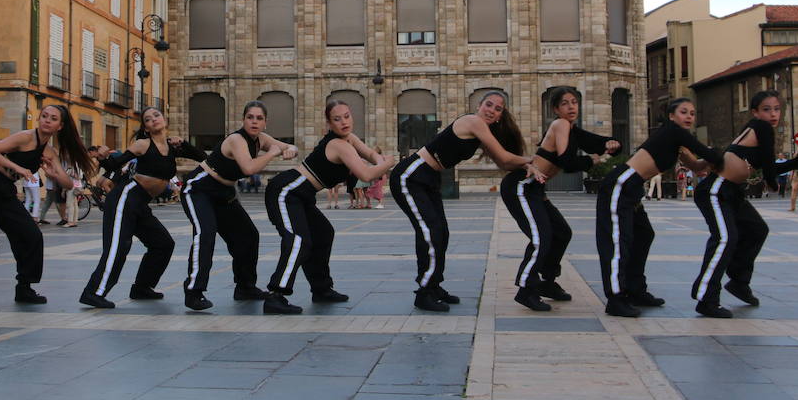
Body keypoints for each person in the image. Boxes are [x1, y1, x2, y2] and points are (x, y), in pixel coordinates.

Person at [398, 91, 536, 312]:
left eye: (497, 108)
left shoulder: (481, 132)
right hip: (411, 175)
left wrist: (525, 165)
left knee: (441, 232)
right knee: (431, 232)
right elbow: (506, 157)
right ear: (479, 106)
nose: (491, 110)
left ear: (501, 115)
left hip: (429, 179)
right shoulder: (473, 121)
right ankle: (424, 292)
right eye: (488, 105)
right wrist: (535, 160)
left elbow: (503, 162)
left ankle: (434, 286)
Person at [263, 99, 394, 314]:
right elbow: (366, 174)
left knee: (323, 234)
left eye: (347, 116)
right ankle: (275, 295)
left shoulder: (349, 139)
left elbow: (369, 154)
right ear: (329, 124)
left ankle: (321, 289)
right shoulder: (338, 145)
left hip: (302, 195)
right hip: (286, 191)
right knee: (298, 241)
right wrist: (387, 163)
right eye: (337, 119)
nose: (344, 122)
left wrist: (379, 159)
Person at [597, 98, 724, 318]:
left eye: (693, 113)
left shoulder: (677, 142)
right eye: (684, 112)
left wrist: (710, 162)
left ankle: (635, 290)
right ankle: (615, 298)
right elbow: (709, 155)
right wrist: (726, 154)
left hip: (632, 189)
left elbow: (698, 166)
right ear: (672, 116)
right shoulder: (674, 132)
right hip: (621, 184)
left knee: (644, 234)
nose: (689, 117)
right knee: (619, 241)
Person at [691, 90, 798, 318]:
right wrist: (774, 181)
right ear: (755, 112)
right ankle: (706, 298)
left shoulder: (758, 129)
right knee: (724, 239)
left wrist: (796, 161)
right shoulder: (761, 128)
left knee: (757, 229)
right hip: (717, 189)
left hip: (732, 192)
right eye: (767, 109)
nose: (773, 114)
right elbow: (768, 167)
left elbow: (767, 164)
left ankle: (738, 281)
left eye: (776, 109)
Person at [0, 106, 92, 312]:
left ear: (60, 126)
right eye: (44, 116)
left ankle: (24, 287)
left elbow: (69, 184)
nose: (46, 121)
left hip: (4, 192)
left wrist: (52, 173)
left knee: (32, 235)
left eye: (53, 119)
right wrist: (18, 168)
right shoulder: (25, 137)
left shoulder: (48, 152)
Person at [502, 88, 618, 311]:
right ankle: (526, 290)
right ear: (556, 109)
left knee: (562, 233)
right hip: (521, 186)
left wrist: (612, 145)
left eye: (574, 102)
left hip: (535, 190)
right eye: (565, 103)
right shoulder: (560, 125)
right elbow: (566, 160)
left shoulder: (572, 129)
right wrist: (591, 162)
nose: (571, 107)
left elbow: (596, 142)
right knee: (542, 237)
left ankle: (547, 282)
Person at [81, 107, 205, 309]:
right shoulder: (142, 144)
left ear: (164, 120)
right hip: (125, 198)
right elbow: (115, 164)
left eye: (156, 116)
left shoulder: (172, 146)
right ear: (146, 128)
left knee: (163, 244)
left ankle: (142, 288)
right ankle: (93, 292)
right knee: (118, 247)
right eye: (148, 119)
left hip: (140, 204)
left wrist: (184, 144)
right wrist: (103, 157)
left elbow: (201, 156)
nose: (153, 120)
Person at [180, 100, 295, 310]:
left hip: (224, 193)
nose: (254, 122)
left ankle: (245, 287)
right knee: (205, 233)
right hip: (199, 189)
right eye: (250, 117)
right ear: (243, 120)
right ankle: (194, 292)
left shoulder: (261, 138)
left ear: (265, 123)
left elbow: (287, 147)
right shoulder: (236, 139)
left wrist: (290, 149)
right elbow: (249, 168)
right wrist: (272, 153)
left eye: (259, 118)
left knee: (249, 235)